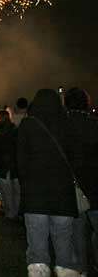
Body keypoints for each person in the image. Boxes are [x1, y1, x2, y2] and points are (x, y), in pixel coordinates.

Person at [16, 89, 80, 277]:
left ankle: (39, 271)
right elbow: (75, 158)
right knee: (63, 242)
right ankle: (65, 269)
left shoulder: (27, 125)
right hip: (63, 195)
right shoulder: (67, 124)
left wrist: (27, 182)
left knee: (37, 246)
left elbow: (20, 162)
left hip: (36, 196)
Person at [64, 88, 98, 277]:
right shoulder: (94, 125)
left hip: (72, 188)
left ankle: (81, 268)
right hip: (95, 186)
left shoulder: (61, 127)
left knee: (76, 233)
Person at [0, 110, 20, 219]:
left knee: (6, 192)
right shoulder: (15, 130)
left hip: (1, 164)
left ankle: (10, 213)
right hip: (15, 164)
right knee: (17, 191)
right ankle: (18, 211)